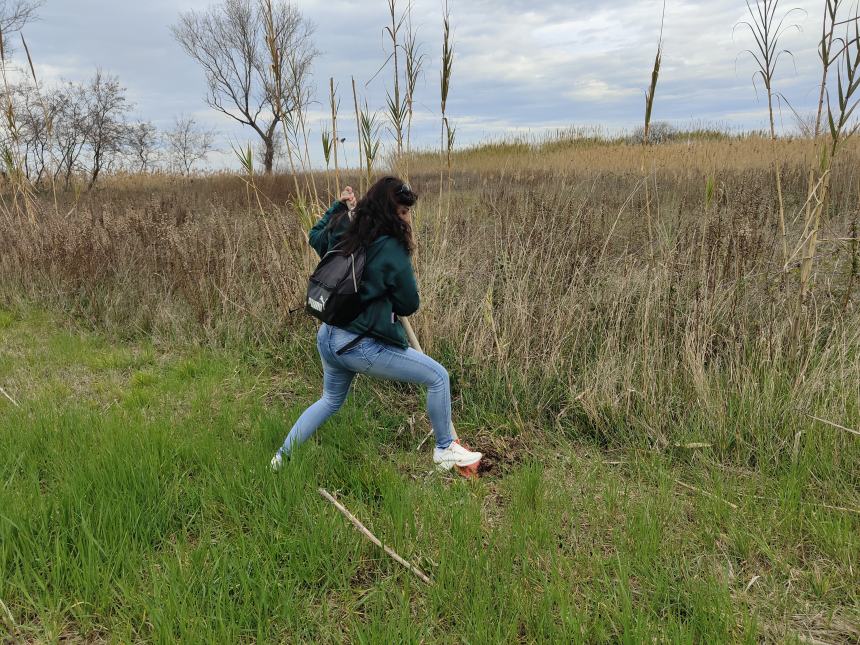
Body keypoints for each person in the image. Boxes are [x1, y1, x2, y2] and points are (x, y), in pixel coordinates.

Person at [271, 176, 482, 472]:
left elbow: (315, 235)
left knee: (330, 400)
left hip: (328, 336)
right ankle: (445, 448)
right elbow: (410, 304)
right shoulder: (391, 249)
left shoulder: (347, 228)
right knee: (437, 377)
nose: (408, 219)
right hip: (359, 345)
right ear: (389, 212)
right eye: (404, 212)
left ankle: (280, 458)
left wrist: (339, 205)